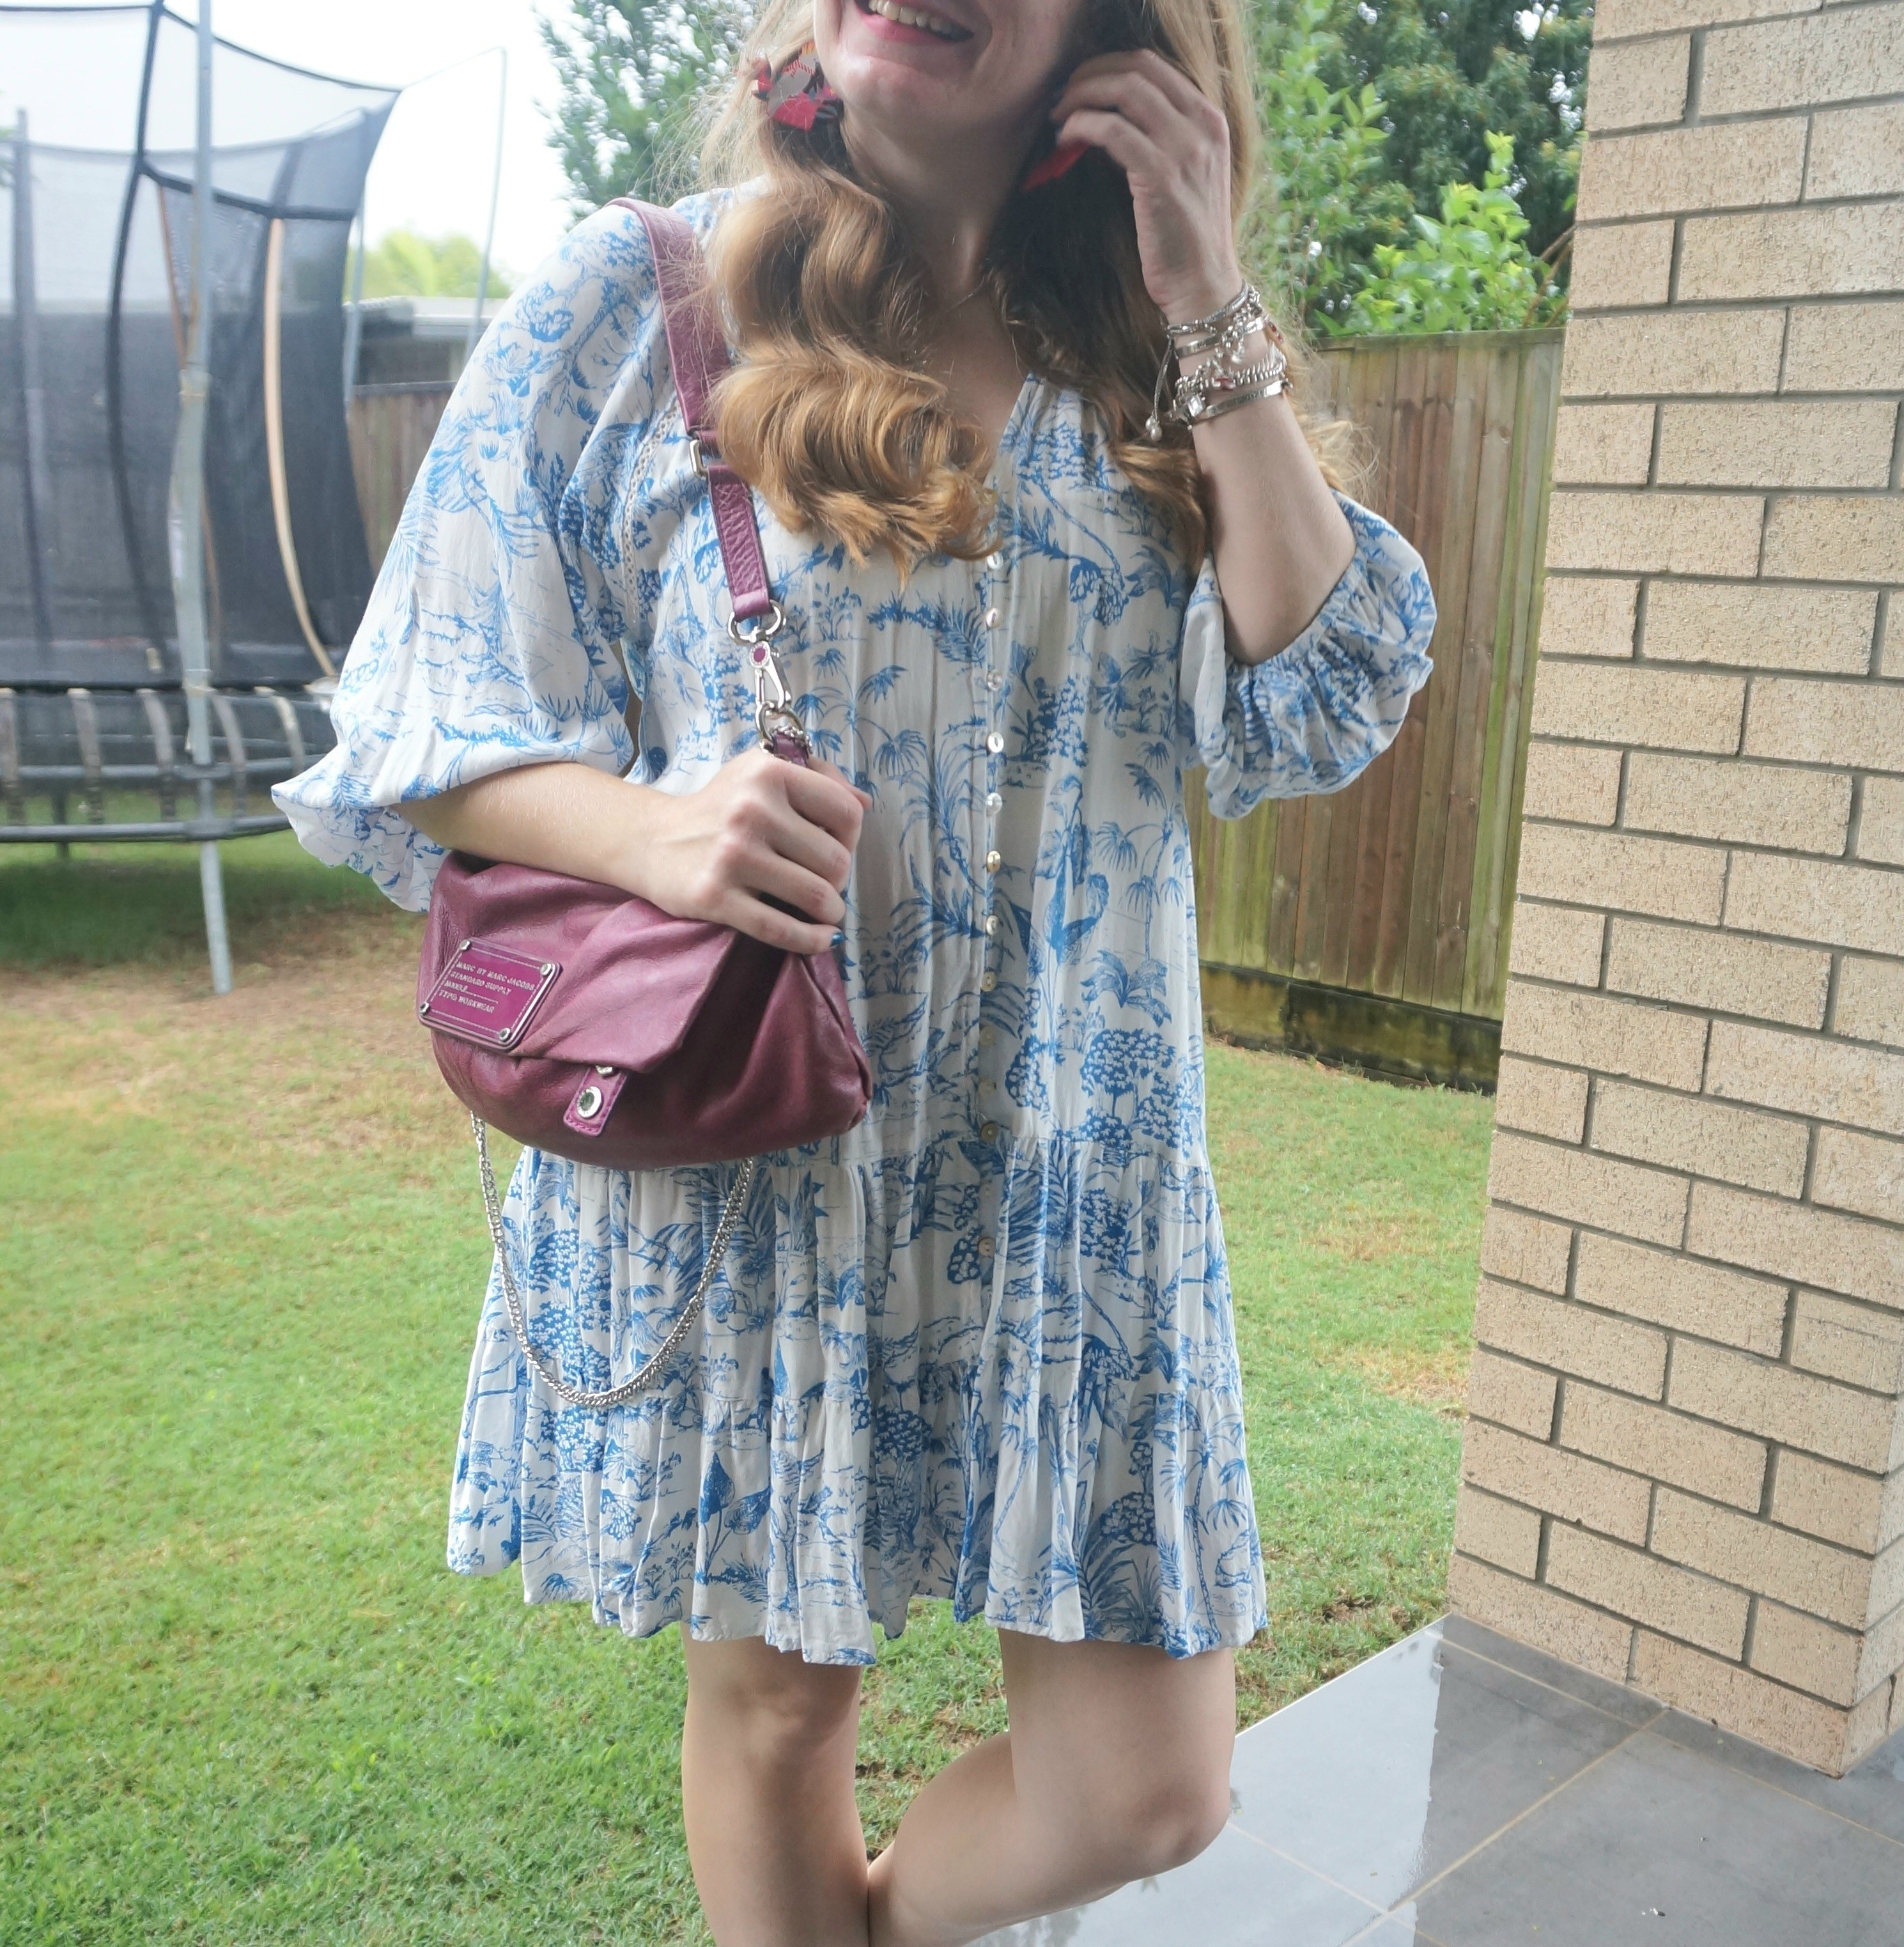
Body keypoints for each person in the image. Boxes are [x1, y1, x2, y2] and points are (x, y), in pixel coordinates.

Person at [278, 1, 1434, 1939]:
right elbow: (416, 713)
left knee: (1149, 1788)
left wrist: (1210, 291)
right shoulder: (640, 298)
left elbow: (1326, 700)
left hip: (1079, 1179)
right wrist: (647, 825)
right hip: (769, 1154)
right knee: (777, 1712)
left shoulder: (1156, 358)